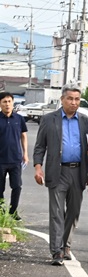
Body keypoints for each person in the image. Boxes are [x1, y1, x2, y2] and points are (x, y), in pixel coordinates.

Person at [33, 84, 88, 266]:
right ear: (62, 99)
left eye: (77, 99)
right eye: (70, 99)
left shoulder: (86, 121)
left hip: (79, 171)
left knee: (73, 212)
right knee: (57, 212)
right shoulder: (49, 120)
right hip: (57, 171)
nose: (74, 103)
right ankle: (57, 250)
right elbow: (40, 146)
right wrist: (38, 167)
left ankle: (66, 245)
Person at [0, 92, 28, 220]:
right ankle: (1, 211)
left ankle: (13, 211)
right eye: (4, 102)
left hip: (15, 159)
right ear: (0, 104)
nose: (7, 104)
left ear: (13, 103)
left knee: (17, 186)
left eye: (9, 101)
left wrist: (25, 154)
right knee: (0, 188)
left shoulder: (19, 119)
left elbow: (23, 136)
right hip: (1, 160)